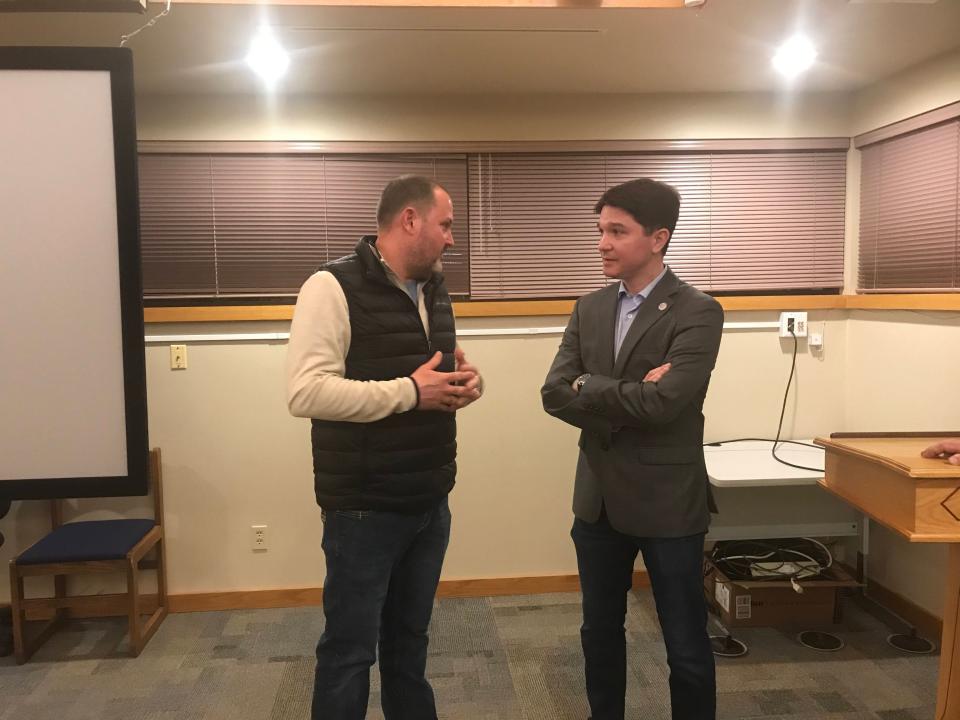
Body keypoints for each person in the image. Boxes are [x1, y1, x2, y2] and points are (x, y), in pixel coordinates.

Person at [286, 174, 482, 720]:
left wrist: (466, 384)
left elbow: (441, 371)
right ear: (410, 220)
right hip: (364, 509)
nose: (450, 239)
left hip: (429, 500)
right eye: (445, 225)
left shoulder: (435, 288)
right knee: (350, 653)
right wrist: (411, 392)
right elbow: (306, 392)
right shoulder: (330, 287)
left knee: (409, 647)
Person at [541, 178, 723, 720]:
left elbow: (666, 403)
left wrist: (591, 387)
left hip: (668, 502)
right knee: (599, 632)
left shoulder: (697, 310)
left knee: (685, 641)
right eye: (601, 230)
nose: (602, 242)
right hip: (597, 501)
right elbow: (553, 393)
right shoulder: (590, 307)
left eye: (617, 231)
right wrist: (632, 390)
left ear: (658, 238)